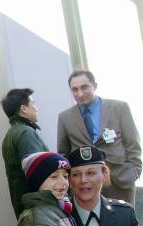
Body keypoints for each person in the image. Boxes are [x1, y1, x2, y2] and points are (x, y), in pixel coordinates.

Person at [58, 70, 141, 204]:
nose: (79, 93)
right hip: (85, 187)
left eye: (84, 87)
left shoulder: (119, 108)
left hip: (120, 181)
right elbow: (63, 154)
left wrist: (133, 172)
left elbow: (133, 144)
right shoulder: (65, 117)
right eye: (75, 89)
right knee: (92, 224)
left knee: (124, 222)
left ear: (94, 86)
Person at [1, 88, 49, 218]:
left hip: (25, 207)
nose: (36, 108)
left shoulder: (12, 133)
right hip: (37, 208)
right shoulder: (26, 133)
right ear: (24, 108)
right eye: (33, 103)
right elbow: (38, 173)